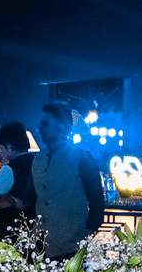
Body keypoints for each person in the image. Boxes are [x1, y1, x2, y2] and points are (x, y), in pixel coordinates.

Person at [29, 102, 105, 260]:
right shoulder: (38, 159)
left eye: (45, 124)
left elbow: (97, 200)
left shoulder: (82, 158)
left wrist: (87, 234)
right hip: (40, 245)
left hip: (70, 246)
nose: (39, 128)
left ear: (62, 127)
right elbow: (34, 198)